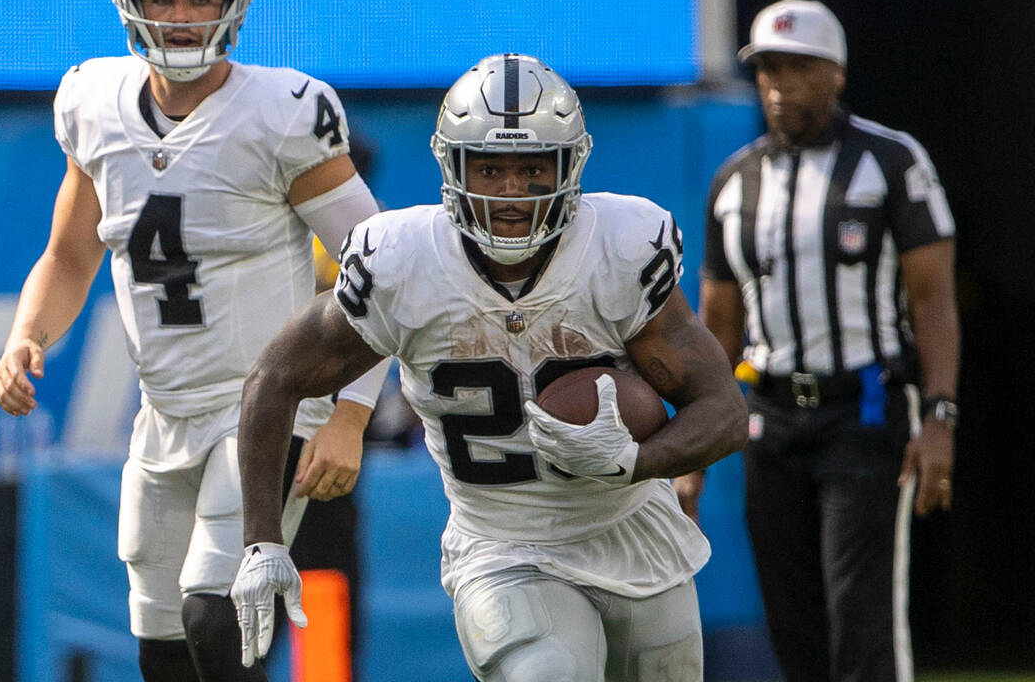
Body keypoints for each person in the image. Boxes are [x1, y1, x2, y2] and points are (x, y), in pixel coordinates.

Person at [231, 53, 748, 681]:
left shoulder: (622, 248)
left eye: (533, 168)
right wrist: (261, 540)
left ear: (570, 166)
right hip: (502, 545)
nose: (509, 191)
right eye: (490, 167)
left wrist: (636, 462)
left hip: (633, 530)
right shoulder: (402, 261)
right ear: (453, 166)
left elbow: (724, 411)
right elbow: (274, 379)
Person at [0, 0, 387, 682]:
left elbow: (379, 264)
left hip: (268, 407)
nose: (180, 15)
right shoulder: (93, 104)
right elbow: (69, 256)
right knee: (164, 654)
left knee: (219, 618)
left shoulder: (283, 113)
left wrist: (350, 414)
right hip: (164, 414)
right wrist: (27, 335)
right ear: (127, 3)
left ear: (235, 2)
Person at [677, 0, 959, 682]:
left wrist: (941, 415)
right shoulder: (735, 182)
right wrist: (691, 449)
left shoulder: (891, 162)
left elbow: (934, 298)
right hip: (767, 416)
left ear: (836, 73)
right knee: (790, 619)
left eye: (799, 68)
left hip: (861, 408)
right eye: (769, 70)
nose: (781, 85)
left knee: (859, 615)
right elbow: (717, 323)